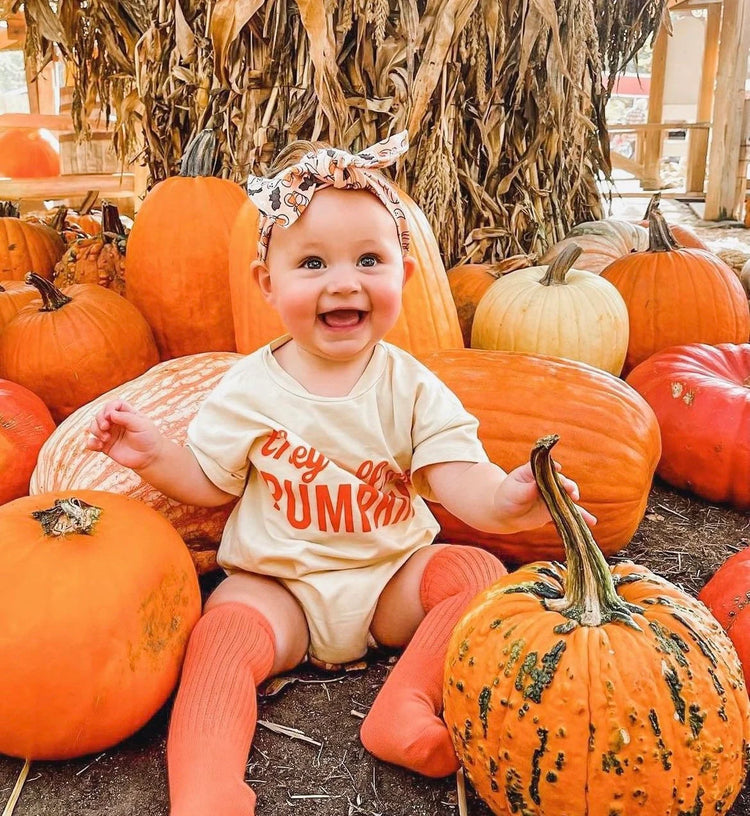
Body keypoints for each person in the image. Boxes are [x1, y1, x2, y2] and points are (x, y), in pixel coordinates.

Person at [86, 131, 595, 816]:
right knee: (222, 633)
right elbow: (212, 480)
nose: (344, 281)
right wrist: (154, 456)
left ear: (404, 278)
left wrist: (507, 501)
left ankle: (404, 705)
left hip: (388, 582)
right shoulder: (249, 389)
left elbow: (455, 475)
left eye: (369, 259)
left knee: (475, 573)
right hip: (282, 586)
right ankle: (206, 788)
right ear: (268, 284)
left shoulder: (412, 387)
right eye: (314, 263)